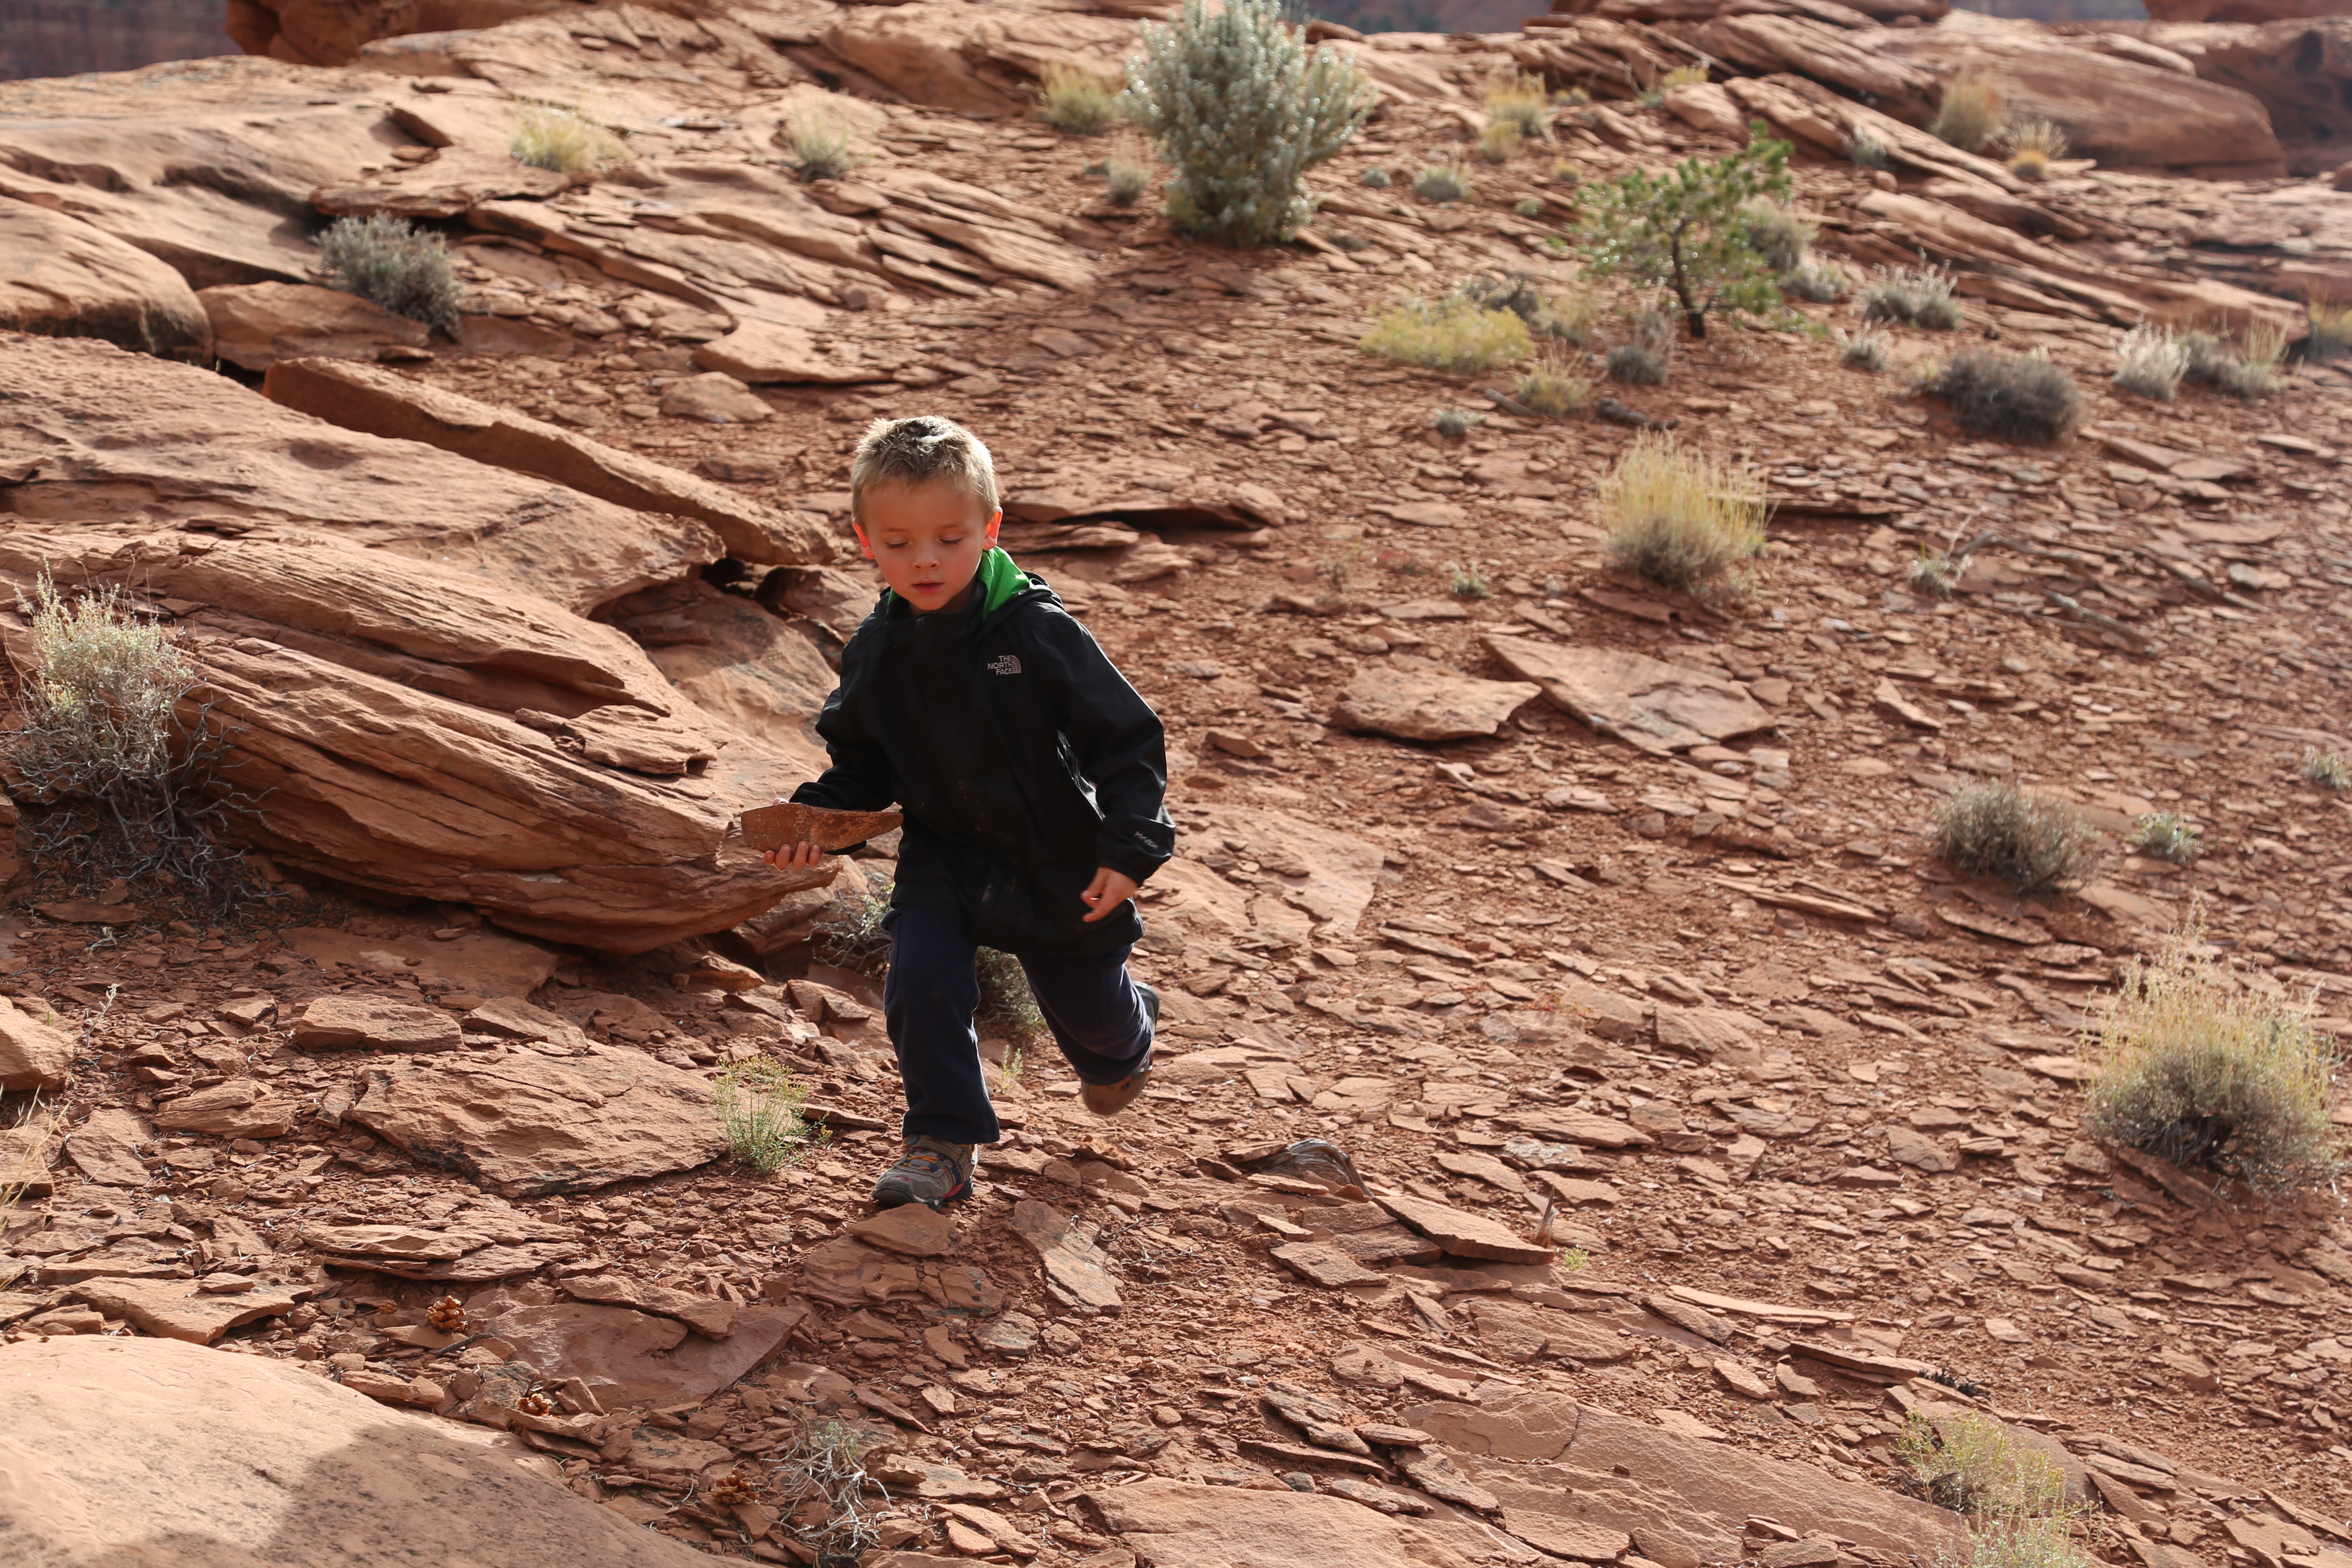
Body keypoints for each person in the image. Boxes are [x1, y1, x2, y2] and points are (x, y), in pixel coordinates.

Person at [764, 415, 1172, 1210]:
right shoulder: (879, 647)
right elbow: (862, 764)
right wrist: (814, 820)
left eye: (950, 539)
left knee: (1099, 1041)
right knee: (920, 982)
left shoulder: (1038, 632)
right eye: (900, 541)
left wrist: (1128, 847)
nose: (925, 560)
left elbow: (1126, 741)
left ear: (990, 528)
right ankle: (941, 1141)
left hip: (1058, 862)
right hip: (944, 855)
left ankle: (1128, 1030)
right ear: (865, 541)